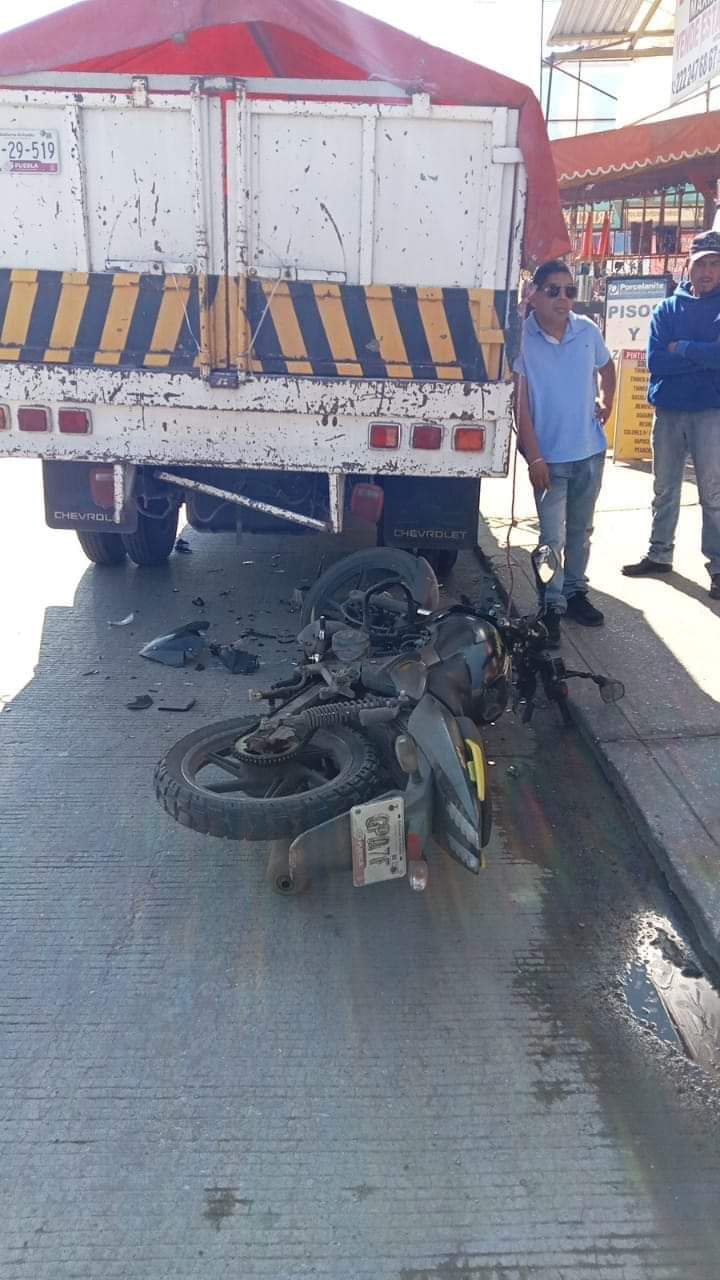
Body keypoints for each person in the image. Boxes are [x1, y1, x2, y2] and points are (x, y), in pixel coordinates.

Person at [513, 259, 616, 647]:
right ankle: (551, 604)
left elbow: (607, 369)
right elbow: (519, 405)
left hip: (589, 452)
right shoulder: (522, 339)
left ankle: (574, 592)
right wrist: (534, 457)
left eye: (569, 291)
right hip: (550, 460)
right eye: (552, 290)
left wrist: (607, 402)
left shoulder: (587, 332)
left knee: (581, 531)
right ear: (534, 294)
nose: (562, 298)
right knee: (549, 538)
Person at [622, 229, 720, 599]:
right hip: (668, 410)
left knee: (713, 493)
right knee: (664, 488)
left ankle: (718, 567)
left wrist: (684, 348)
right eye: (701, 264)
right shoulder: (667, 309)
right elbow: (655, 361)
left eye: (714, 263)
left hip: (711, 412)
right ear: (688, 267)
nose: (707, 271)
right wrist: (704, 354)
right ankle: (659, 554)